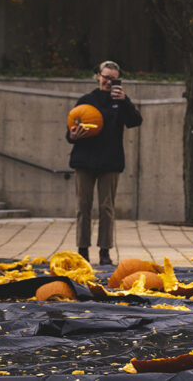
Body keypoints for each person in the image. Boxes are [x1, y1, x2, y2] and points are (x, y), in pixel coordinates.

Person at [66, 61, 143, 265]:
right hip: (84, 160)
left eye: (113, 78)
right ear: (97, 75)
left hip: (110, 161)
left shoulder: (120, 102)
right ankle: (82, 251)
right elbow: (70, 129)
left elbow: (135, 121)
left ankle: (104, 252)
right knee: (83, 207)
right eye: (105, 76)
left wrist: (125, 100)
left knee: (106, 207)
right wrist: (73, 135)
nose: (108, 81)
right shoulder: (86, 100)